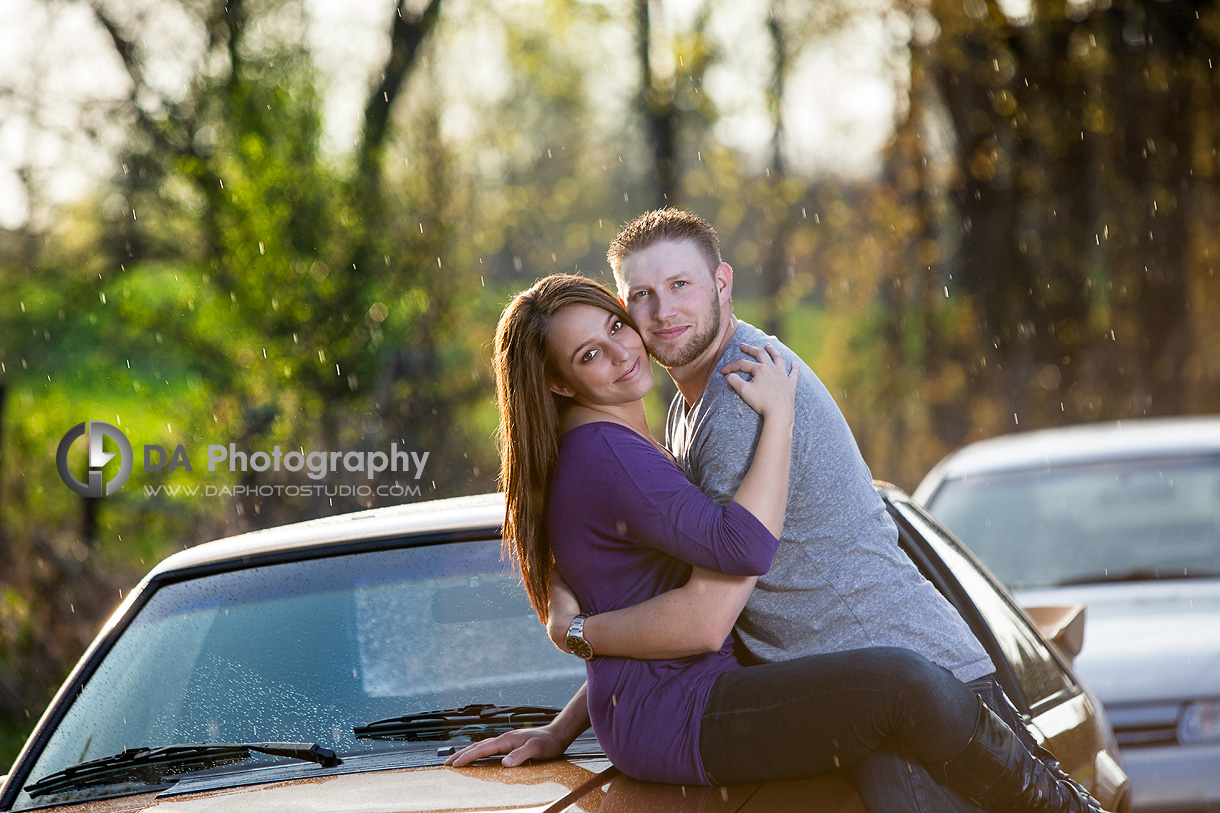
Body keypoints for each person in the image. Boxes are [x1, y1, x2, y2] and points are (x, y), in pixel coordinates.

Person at [448, 272, 1110, 813]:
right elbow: (740, 554)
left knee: (882, 732)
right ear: (561, 382)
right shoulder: (609, 453)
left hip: (659, 713)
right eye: (589, 353)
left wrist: (566, 718)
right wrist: (779, 416)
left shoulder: (621, 447)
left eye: (616, 326)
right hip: (687, 714)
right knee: (902, 685)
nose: (622, 351)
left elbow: (646, 618)